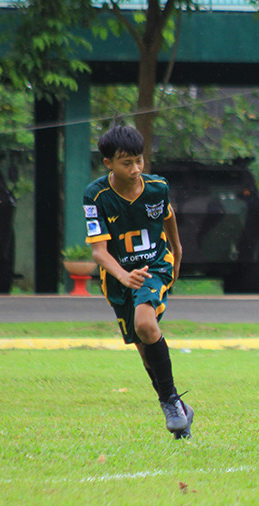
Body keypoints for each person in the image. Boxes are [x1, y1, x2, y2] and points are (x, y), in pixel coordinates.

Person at [83, 125, 193, 438]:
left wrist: (177, 252)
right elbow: (99, 252)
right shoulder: (95, 196)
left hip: (154, 265)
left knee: (145, 324)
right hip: (119, 277)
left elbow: (168, 217)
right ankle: (177, 409)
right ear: (108, 163)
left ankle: (170, 402)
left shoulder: (157, 187)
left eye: (139, 160)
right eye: (126, 163)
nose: (135, 169)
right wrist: (123, 275)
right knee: (144, 348)